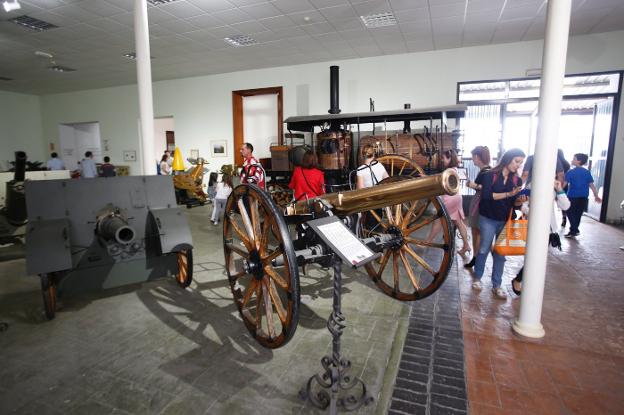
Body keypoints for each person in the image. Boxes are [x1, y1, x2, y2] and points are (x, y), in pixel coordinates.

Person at [472, 148, 526, 299]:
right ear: (508, 159)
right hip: (488, 217)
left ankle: (497, 284)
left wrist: (517, 201)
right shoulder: (490, 175)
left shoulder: (517, 180)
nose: (518, 165)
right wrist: (509, 194)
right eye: (516, 161)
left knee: (501, 253)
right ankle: (477, 278)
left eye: (521, 163)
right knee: (483, 249)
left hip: (504, 219)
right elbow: (488, 196)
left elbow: (514, 203)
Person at [511, 179, 570, 295]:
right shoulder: (532, 185)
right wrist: (537, 212)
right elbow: (522, 207)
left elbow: (566, 206)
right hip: (534, 228)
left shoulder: (554, 187)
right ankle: (519, 280)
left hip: (548, 230)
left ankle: (522, 281)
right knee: (534, 258)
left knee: (538, 259)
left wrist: (559, 189)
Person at [426, 149, 470, 256]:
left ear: (450, 158)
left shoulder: (449, 171)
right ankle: (466, 245)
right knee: (459, 222)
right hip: (457, 197)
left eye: (444, 158)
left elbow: (438, 182)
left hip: (449, 198)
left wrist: (424, 179)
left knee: (438, 221)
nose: (442, 160)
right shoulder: (455, 169)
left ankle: (427, 242)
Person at [464, 146, 492, 268]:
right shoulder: (489, 170)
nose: (472, 160)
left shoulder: (486, 172)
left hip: (479, 204)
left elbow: (485, 188)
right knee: (478, 232)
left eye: (473, 157)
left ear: (477, 157)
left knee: (477, 232)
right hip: (482, 203)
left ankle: (476, 258)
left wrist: (473, 185)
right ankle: (476, 257)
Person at [564, 153, 601, 238]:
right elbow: (591, 185)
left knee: (569, 212)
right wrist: (596, 195)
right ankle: (574, 230)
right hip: (584, 197)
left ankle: (574, 230)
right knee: (578, 214)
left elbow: (564, 185)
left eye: (574, 158)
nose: (572, 160)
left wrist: (558, 193)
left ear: (578, 161)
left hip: (572, 196)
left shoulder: (570, 172)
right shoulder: (587, 172)